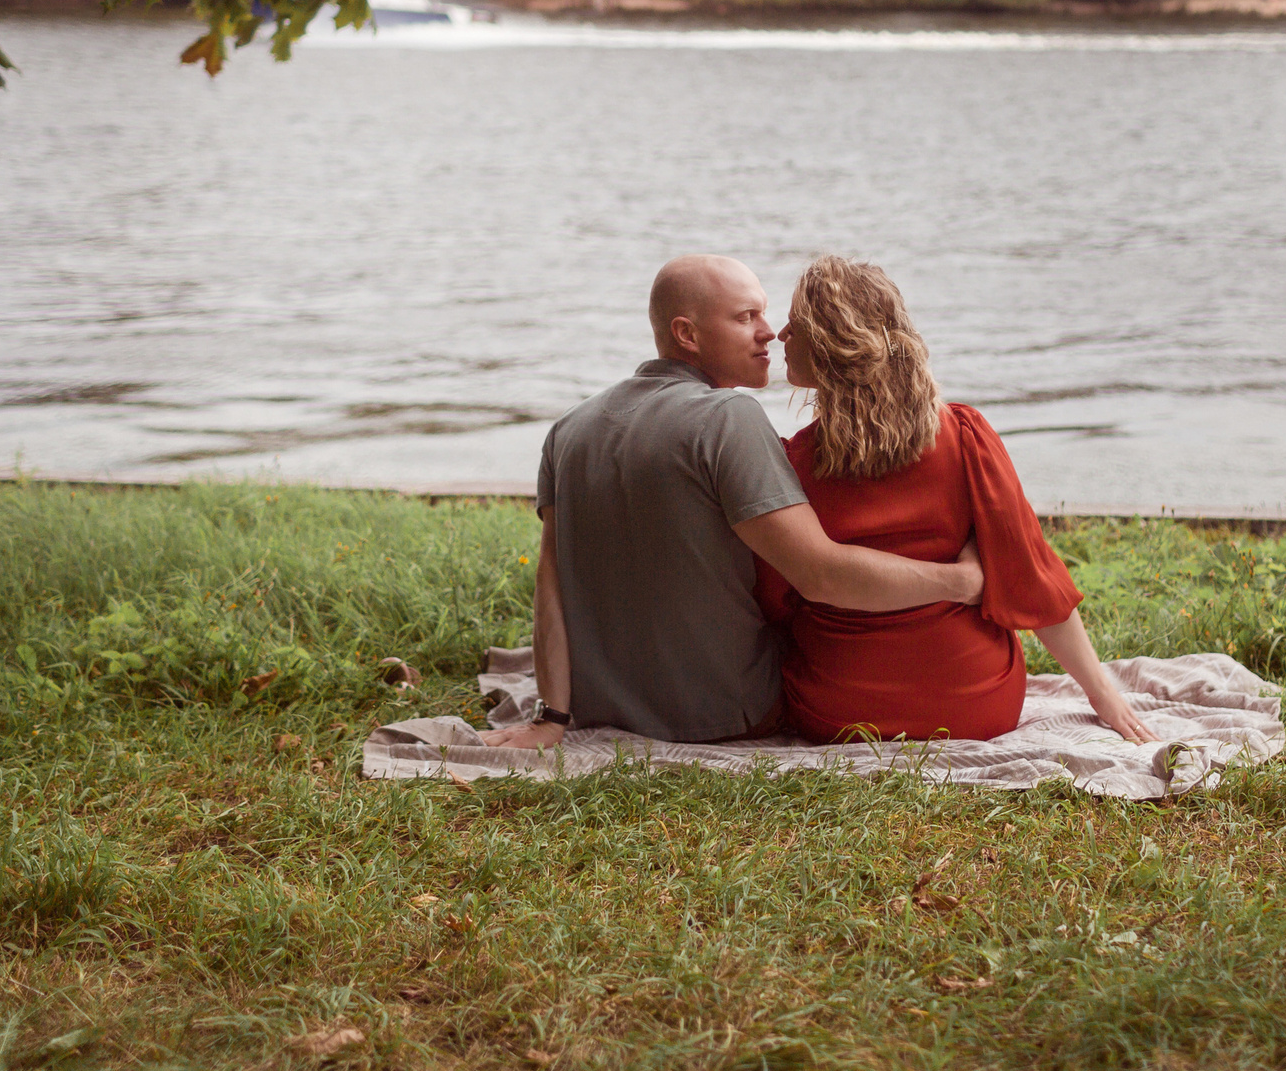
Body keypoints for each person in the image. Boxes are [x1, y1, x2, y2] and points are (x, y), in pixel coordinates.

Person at [482, 255, 982, 751]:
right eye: (746, 317)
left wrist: (551, 717)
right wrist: (960, 582)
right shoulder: (729, 417)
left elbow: (550, 583)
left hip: (598, 707)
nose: (772, 332)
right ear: (688, 334)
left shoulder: (568, 429)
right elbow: (822, 576)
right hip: (729, 714)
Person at [763, 255, 1155, 744]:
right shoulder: (966, 438)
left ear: (830, 348)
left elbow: (773, 600)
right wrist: (1102, 694)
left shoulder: (789, 465)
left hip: (842, 713)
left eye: (796, 325)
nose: (780, 335)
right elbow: (1031, 578)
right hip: (976, 703)